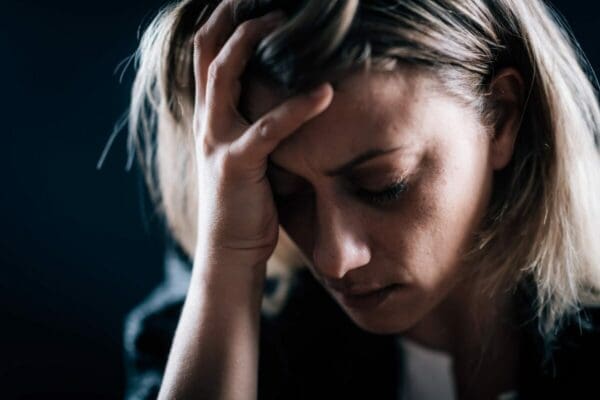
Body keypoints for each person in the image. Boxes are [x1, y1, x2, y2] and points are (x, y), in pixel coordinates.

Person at [122, 0, 600, 399]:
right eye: (284, 191)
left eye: (383, 185)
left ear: (501, 115)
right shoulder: (213, 332)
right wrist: (227, 263)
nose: (335, 260)